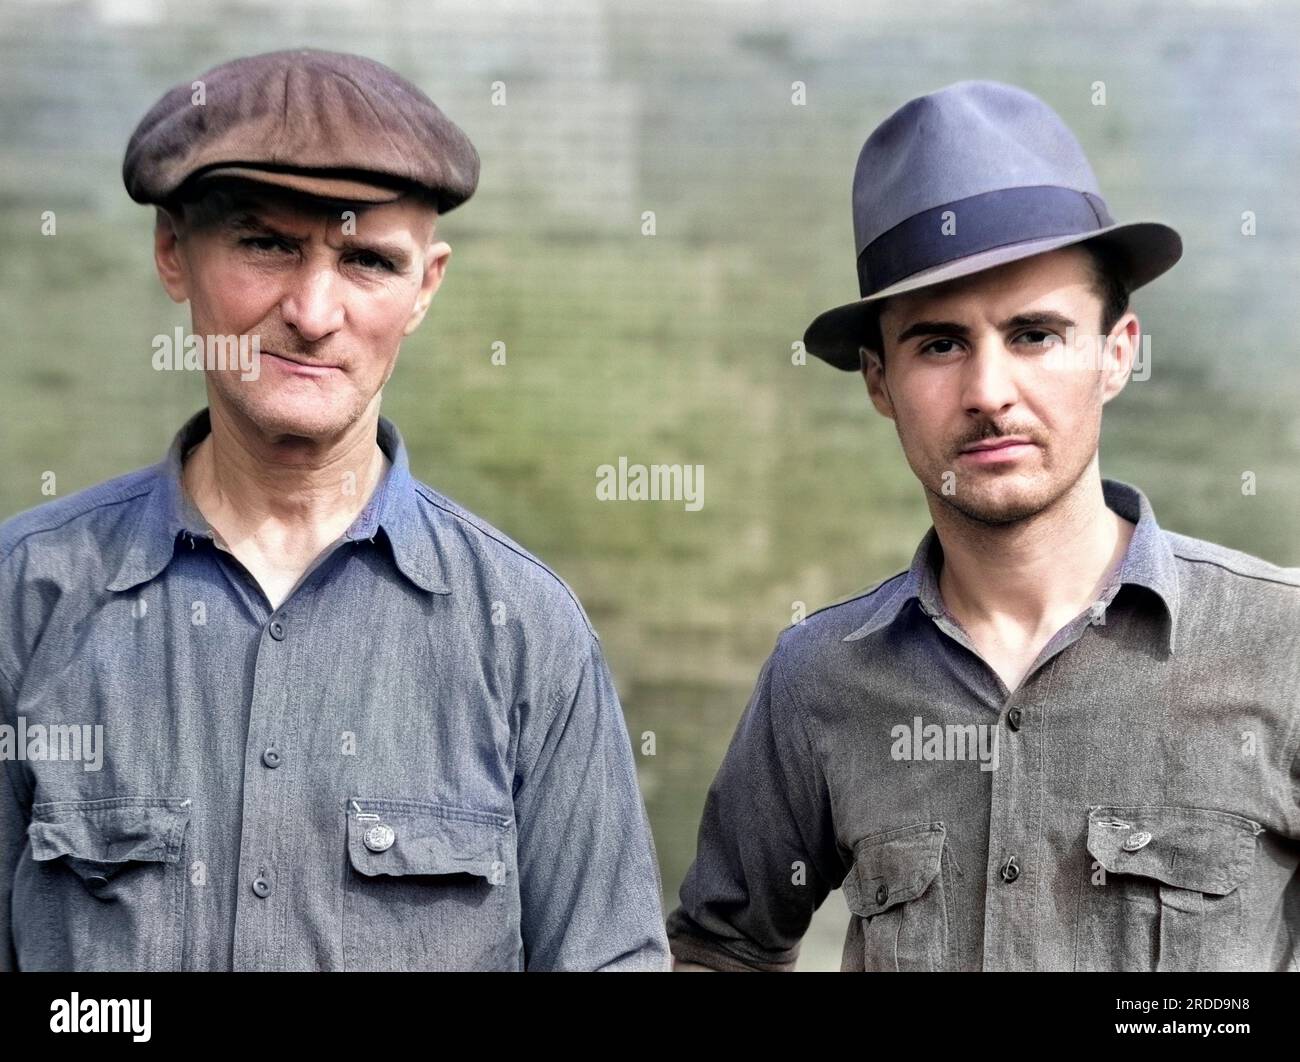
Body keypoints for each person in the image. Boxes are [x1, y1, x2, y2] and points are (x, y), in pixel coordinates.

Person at [0, 48, 669, 971]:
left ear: (425, 287)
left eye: (366, 260)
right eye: (266, 244)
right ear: (172, 253)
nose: (313, 313)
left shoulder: (526, 632)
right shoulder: (24, 602)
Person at [666, 80, 1300, 971]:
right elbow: (719, 951)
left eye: (1035, 334)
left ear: (1117, 354)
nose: (990, 392)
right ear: (879, 384)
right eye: (939, 343)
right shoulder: (818, 680)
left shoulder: (1283, 646)